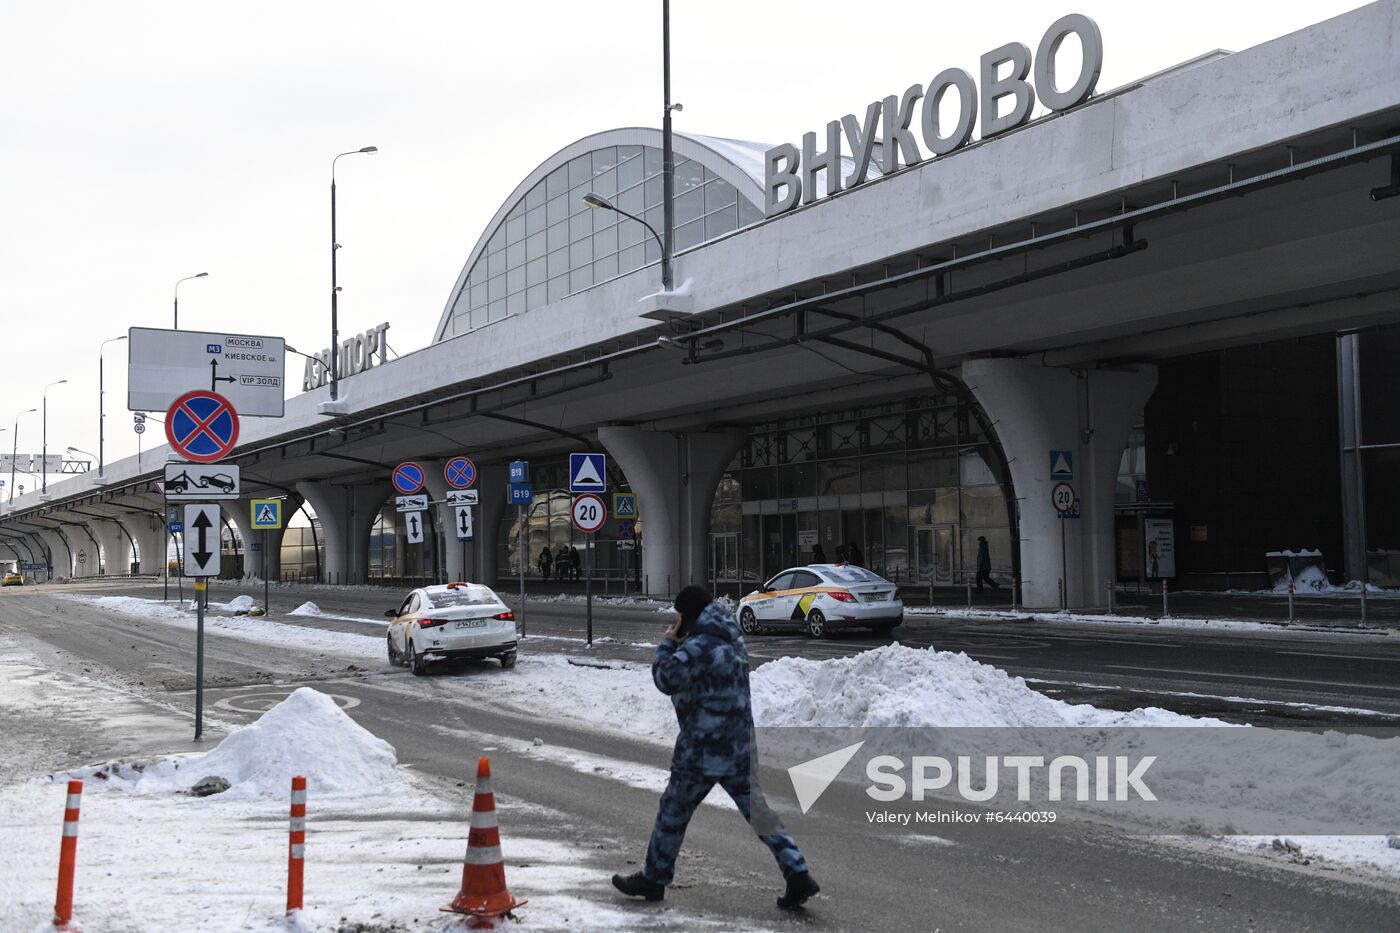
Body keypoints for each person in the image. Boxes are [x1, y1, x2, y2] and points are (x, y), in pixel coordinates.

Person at [612, 585, 820, 910]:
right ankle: (797, 873)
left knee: (673, 811)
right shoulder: (729, 636)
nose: (676, 622)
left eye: (679, 617)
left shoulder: (700, 645)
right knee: (759, 813)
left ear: (688, 616)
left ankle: (654, 877)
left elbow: (665, 678)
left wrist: (667, 643)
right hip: (737, 743)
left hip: (703, 746)